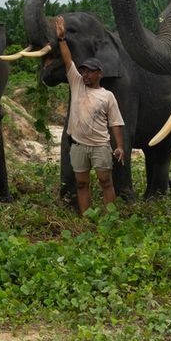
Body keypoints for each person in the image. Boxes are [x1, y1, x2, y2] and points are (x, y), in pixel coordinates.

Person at [55, 15, 126, 214]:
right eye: (83, 71)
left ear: (100, 74)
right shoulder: (76, 84)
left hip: (100, 146)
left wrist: (119, 146)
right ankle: (87, 218)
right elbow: (68, 60)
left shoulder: (107, 96)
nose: (85, 75)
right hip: (78, 146)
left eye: (90, 72)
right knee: (81, 184)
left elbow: (116, 123)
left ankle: (110, 217)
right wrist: (61, 39)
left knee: (105, 182)